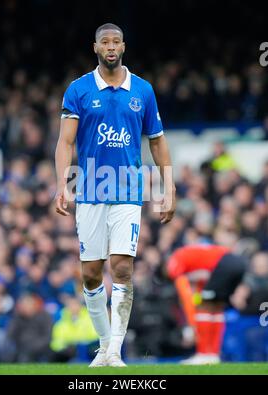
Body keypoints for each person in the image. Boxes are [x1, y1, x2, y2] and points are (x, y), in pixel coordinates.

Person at [54, 23, 176, 367]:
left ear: (123, 46)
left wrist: (169, 186)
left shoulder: (143, 90)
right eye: (105, 41)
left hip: (127, 190)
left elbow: (157, 140)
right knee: (91, 273)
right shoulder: (78, 90)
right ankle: (104, 345)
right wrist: (61, 183)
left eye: (116, 41)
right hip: (91, 191)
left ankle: (115, 352)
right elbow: (64, 142)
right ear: (95, 47)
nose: (111, 46)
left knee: (122, 267)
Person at [166, 244, 246, 364]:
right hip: (237, 262)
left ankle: (203, 354)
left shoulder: (173, 264)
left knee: (204, 306)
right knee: (217, 308)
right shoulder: (190, 254)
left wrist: (192, 325)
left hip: (223, 264)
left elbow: (186, 295)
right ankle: (213, 355)